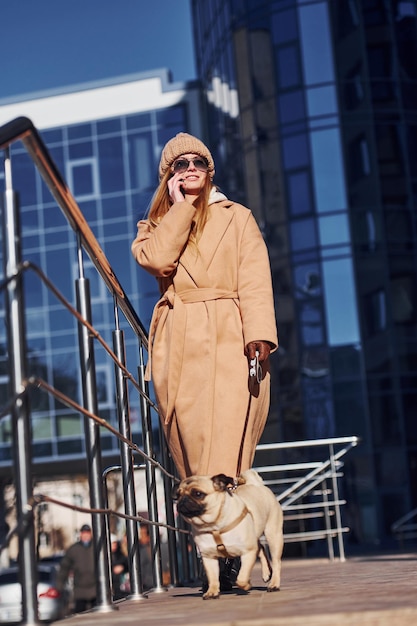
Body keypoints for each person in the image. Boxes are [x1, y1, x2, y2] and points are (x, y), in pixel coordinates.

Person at [131, 133, 278, 481]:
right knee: (192, 446)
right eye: (181, 164)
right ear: (170, 176)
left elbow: (255, 278)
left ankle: (230, 530)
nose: (191, 168)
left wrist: (259, 334)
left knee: (228, 443)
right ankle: (206, 532)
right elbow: (158, 261)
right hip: (181, 340)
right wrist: (180, 208)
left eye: (199, 162)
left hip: (233, 335)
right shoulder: (152, 227)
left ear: (210, 171)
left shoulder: (238, 217)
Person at [56, 524, 96, 613]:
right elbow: (64, 568)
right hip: (80, 590)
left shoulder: (96, 547)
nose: (86, 535)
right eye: (84, 533)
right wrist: (60, 585)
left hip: (95, 589)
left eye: (88, 533)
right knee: (80, 614)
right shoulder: (73, 549)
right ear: (80, 534)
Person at [110, 534, 129, 599]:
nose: (114, 545)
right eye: (113, 543)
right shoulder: (105, 557)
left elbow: (127, 564)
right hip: (112, 585)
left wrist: (122, 567)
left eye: (115, 543)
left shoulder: (120, 553)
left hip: (121, 585)